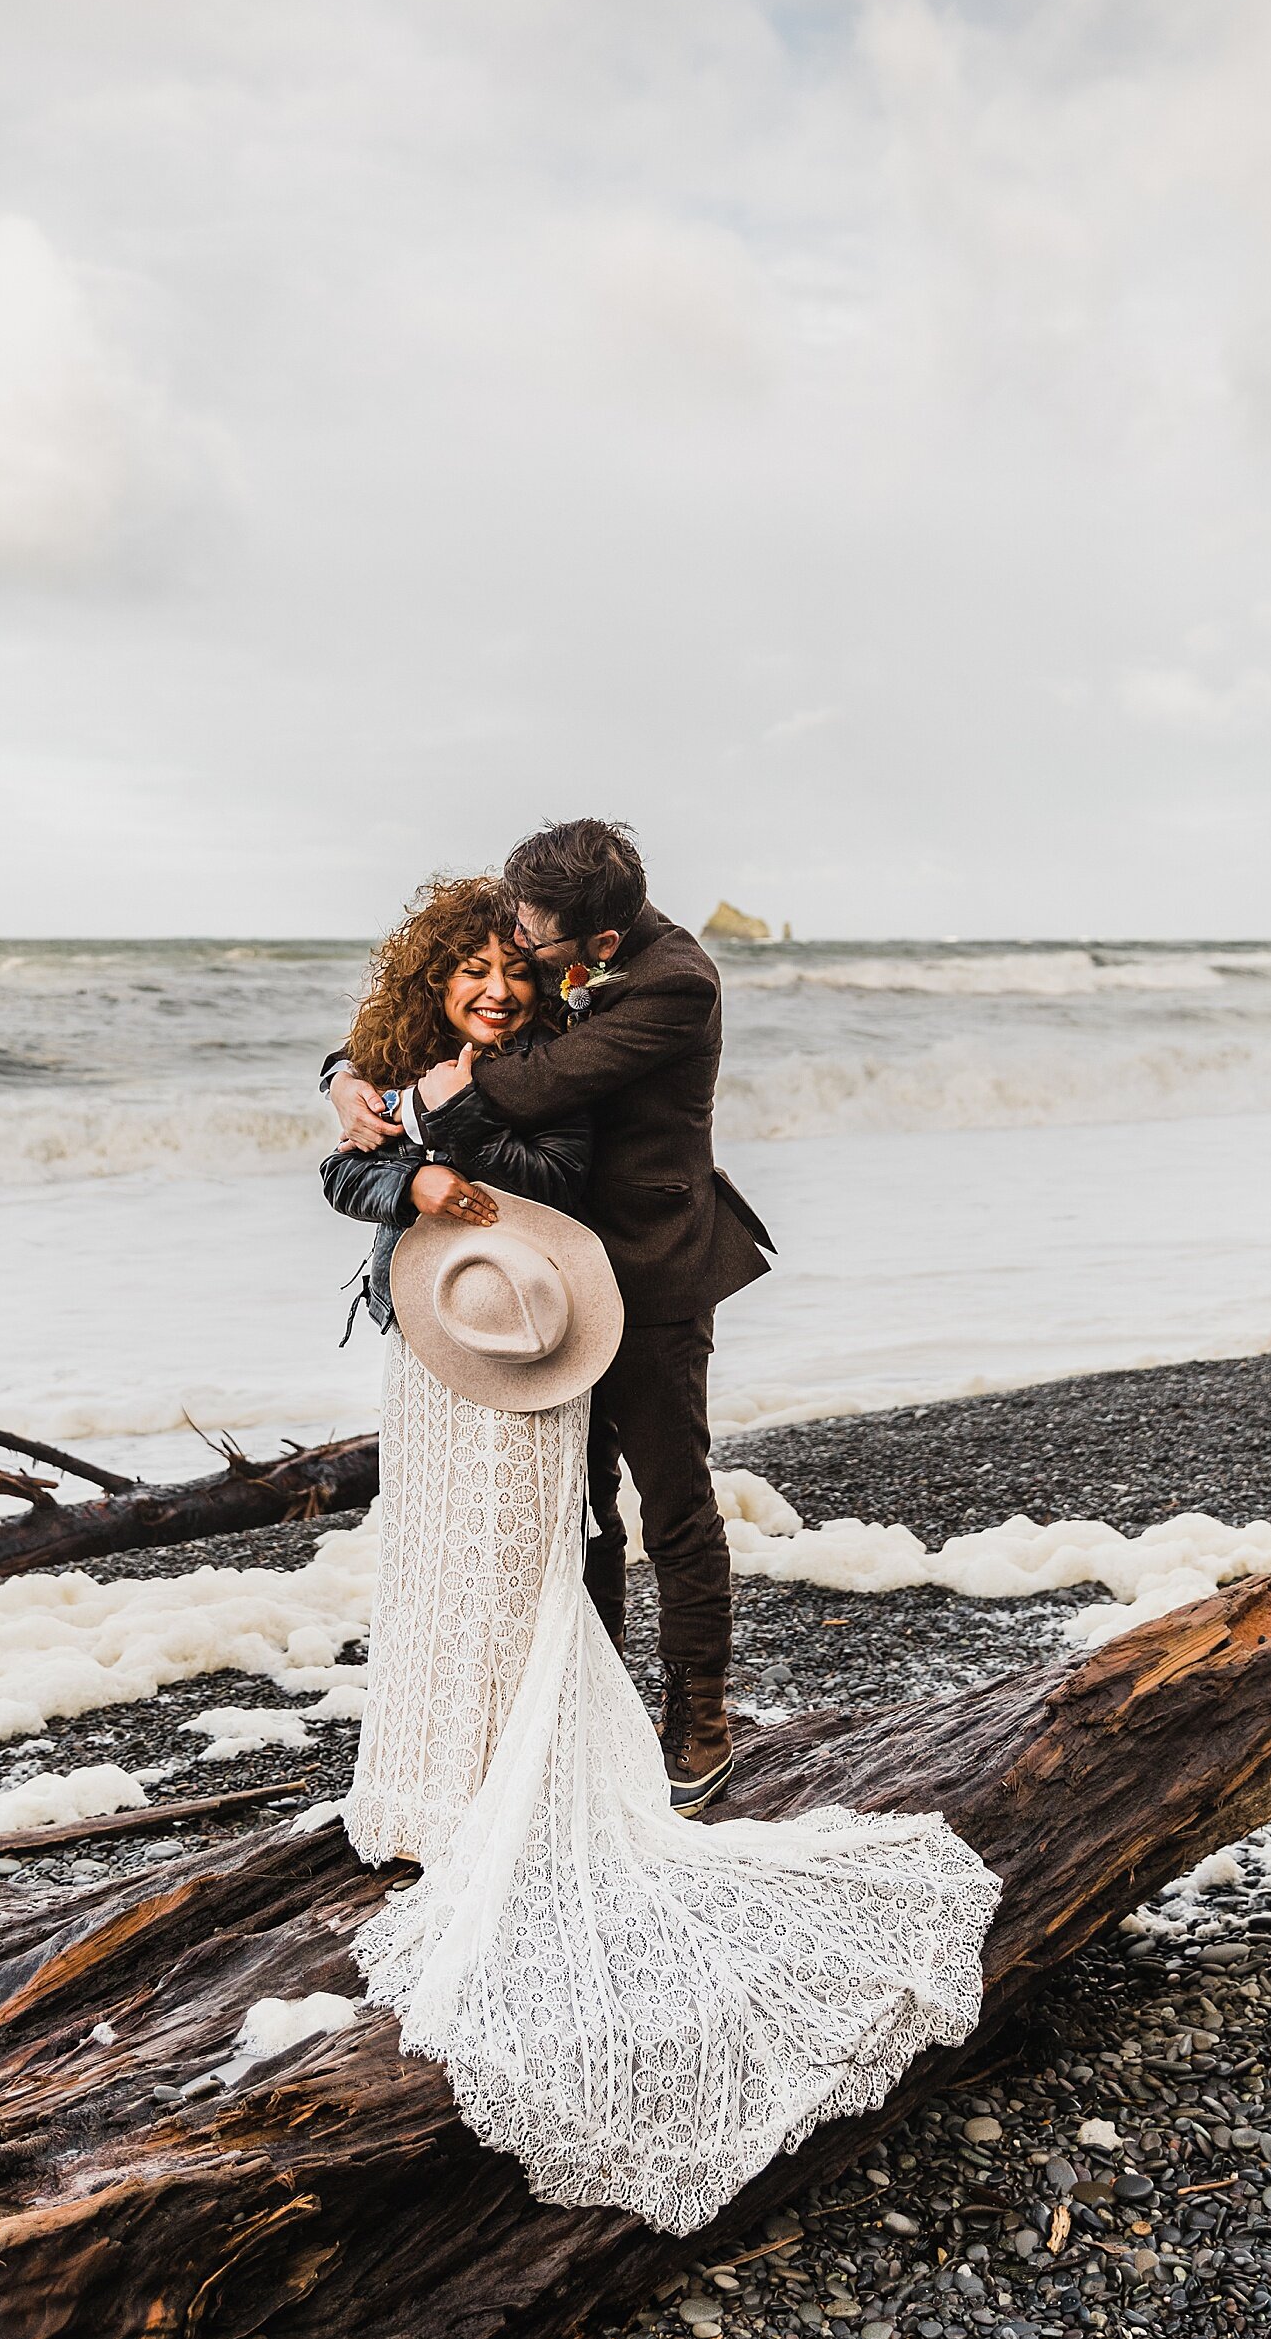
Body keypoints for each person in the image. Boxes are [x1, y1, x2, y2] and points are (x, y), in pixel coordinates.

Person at [323, 870, 998, 2236]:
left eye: (525, 960)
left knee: (653, 1510)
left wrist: (438, 1133)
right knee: (456, 1560)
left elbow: (537, 1135)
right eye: (485, 962)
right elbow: (350, 1160)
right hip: (453, 1329)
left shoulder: (653, 993)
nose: (506, 981)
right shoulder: (508, 1016)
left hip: (622, 1292)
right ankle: (440, 1771)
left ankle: (689, 1720)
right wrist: (375, 1112)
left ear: (583, 947)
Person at [327, 818, 771, 1816]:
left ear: (598, 947)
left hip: (647, 1273)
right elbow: (438, 1012)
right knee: (575, 1509)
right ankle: (590, 1710)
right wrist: (347, 1077)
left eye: (536, 943)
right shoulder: (570, 937)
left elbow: (533, 1080)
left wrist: (424, 1108)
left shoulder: (677, 983)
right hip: (538, 1285)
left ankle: (701, 1714)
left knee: (675, 1503)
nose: (520, 954)